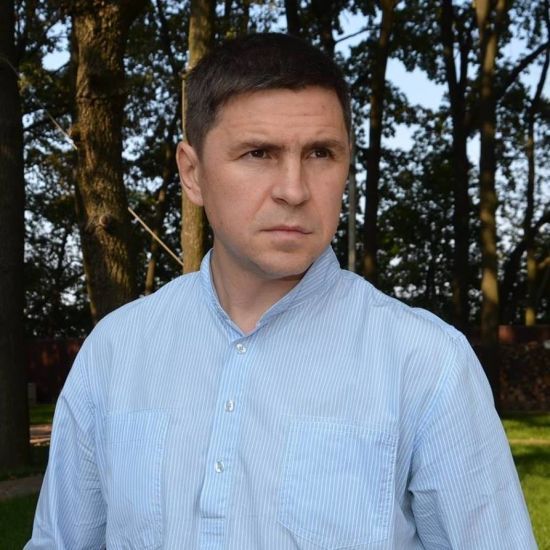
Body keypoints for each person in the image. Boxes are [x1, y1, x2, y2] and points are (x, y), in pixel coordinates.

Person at [26, 33, 535, 549]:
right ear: (192, 173)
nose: (294, 189)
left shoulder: (425, 363)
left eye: (321, 153)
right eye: (259, 153)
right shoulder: (115, 352)